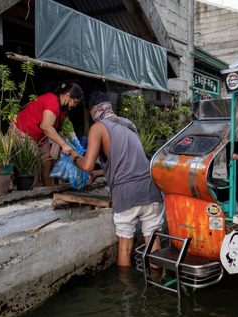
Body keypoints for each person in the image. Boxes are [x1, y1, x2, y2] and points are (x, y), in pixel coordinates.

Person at [71, 91, 164, 267]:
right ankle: (156, 281)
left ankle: (126, 292)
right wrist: (98, 174)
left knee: (124, 248)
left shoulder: (97, 128)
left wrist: (75, 158)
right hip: (150, 189)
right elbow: (128, 163)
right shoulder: (128, 124)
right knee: (153, 241)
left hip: (126, 194)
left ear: (92, 110)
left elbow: (87, 165)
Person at [12, 83, 84, 186]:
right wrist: (63, 144)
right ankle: (34, 194)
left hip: (40, 135)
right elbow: (46, 127)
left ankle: (47, 191)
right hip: (24, 131)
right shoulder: (52, 102)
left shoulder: (62, 108)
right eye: (75, 102)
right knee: (34, 163)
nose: (75, 105)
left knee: (47, 161)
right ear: (67, 96)